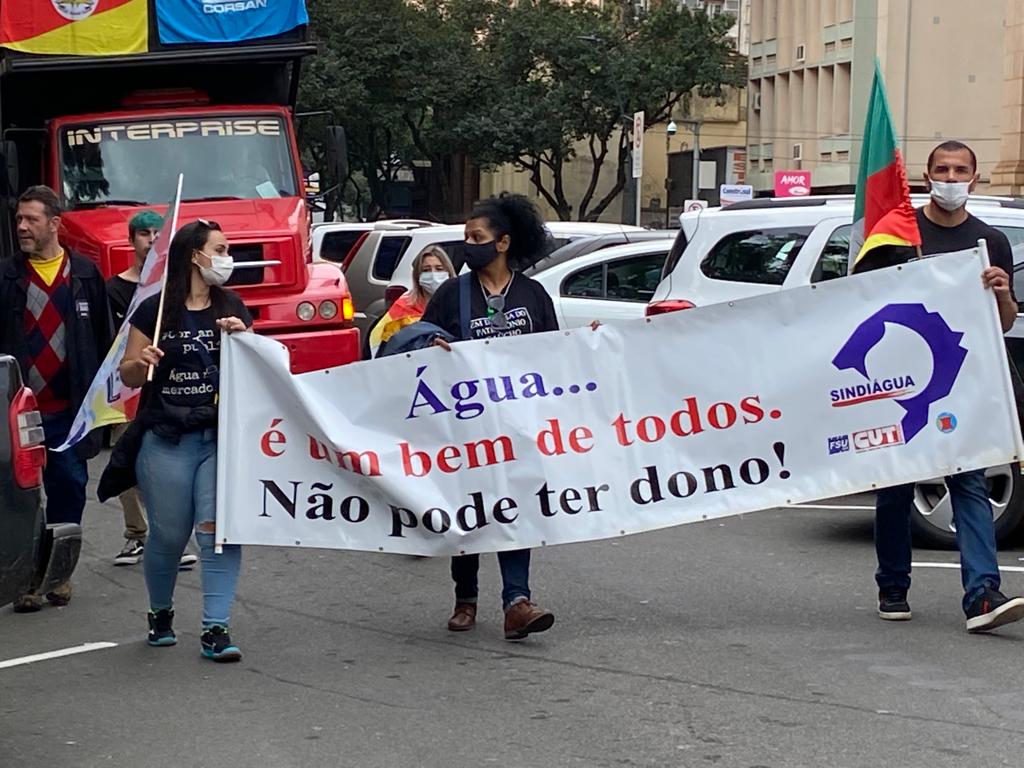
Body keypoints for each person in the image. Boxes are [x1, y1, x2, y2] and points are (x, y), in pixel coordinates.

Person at [854, 140, 1024, 633]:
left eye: (960, 170)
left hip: (960, 384)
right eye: (942, 169)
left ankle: (982, 595)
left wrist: (1002, 293)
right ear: (926, 176)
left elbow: (1004, 320)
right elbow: (857, 302)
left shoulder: (989, 240)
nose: (951, 177)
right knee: (895, 484)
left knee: (969, 481)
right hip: (899, 384)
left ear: (975, 178)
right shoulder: (898, 234)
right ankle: (892, 584)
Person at [420, 192, 558, 641]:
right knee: (470, 513)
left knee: (515, 509)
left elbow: (556, 357)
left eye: (476, 237)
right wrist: (432, 348)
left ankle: (517, 601)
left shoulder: (533, 295)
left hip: (518, 428)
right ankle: (466, 597)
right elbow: (420, 346)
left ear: (502, 243)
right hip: (465, 429)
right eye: (465, 237)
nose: (467, 245)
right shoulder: (451, 295)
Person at [119, 219, 251, 661]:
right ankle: (160, 612)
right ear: (195, 255)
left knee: (218, 532)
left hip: (218, 438)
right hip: (165, 439)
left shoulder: (232, 305)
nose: (226, 257)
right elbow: (127, 374)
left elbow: (254, 368)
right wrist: (143, 361)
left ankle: (216, 628)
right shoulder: (154, 311)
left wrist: (244, 338)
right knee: (169, 536)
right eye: (221, 248)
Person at [0, 186, 112, 612]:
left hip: (70, 410)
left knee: (68, 486)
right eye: (19, 220)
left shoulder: (84, 275)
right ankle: (25, 579)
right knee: (21, 498)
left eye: (31, 219)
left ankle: (58, 574)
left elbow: (102, 342)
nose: (22, 227)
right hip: (18, 416)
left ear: (54, 224)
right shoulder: (7, 277)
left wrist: (104, 405)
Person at [107, 211, 200, 571]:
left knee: (162, 461)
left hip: (168, 391)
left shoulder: (172, 291)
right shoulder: (114, 289)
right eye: (143, 234)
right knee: (126, 455)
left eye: (156, 234)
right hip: (125, 387)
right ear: (131, 241)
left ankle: (169, 534)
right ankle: (138, 534)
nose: (150, 240)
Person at [367, 245, 456, 358]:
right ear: (417, 276)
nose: (433, 274)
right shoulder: (402, 310)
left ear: (449, 271)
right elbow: (387, 347)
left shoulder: (458, 304)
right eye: (426, 270)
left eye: (439, 269)